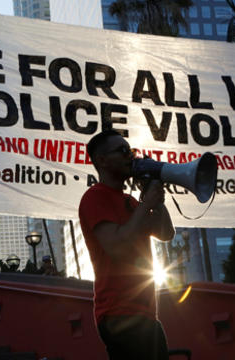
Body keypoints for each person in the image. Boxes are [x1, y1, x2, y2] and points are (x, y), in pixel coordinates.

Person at [78, 130, 175, 360]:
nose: (130, 156)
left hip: (145, 313)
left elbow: (166, 232)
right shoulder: (94, 197)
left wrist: (156, 200)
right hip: (119, 313)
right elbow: (117, 247)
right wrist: (146, 203)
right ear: (101, 160)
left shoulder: (131, 202)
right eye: (122, 151)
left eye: (130, 150)